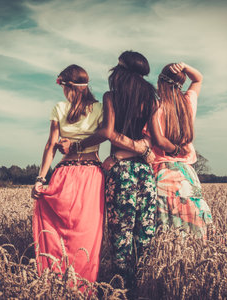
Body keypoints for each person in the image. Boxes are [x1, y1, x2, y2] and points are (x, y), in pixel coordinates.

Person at [59, 51, 158, 292]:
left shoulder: (112, 96)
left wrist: (80, 145)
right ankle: (143, 290)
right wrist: (141, 150)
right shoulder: (153, 100)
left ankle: (122, 292)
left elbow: (108, 132)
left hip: (120, 173)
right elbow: (152, 140)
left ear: (120, 72)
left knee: (120, 238)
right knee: (144, 236)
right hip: (145, 174)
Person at [31, 64, 104, 283]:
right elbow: (106, 135)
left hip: (64, 175)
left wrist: (41, 178)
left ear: (68, 87)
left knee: (57, 233)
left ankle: (54, 283)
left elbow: (50, 146)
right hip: (92, 177)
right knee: (87, 235)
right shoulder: (100, 109)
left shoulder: (59, 108)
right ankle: (83, 286)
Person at [148, 62, 213, 239]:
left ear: (160, 82)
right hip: (187, 174)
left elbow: (157, 141)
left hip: (162, 173)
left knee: (166, 225)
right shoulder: (187, 102)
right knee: (192, 221)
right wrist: (185, 66)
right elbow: (198, 78)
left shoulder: (155, 106)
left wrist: (174, 149)